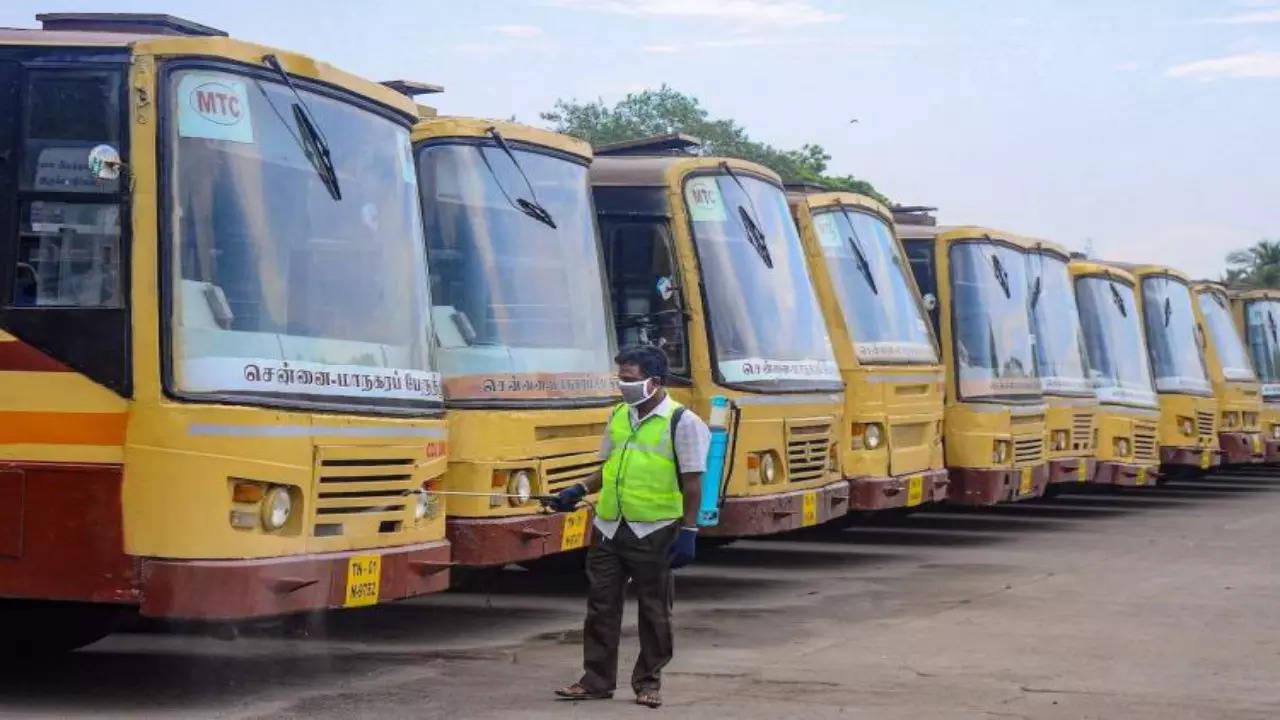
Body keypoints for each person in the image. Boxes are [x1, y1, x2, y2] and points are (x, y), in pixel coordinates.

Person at [545, 344, 710, 709]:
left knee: (654, 610)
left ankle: (648, 683)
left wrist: (689, 531)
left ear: (654, 382)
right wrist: (577, 489)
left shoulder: (683, 423)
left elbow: (694, 481)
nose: (623, 385)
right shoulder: (619, 415)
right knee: (601, 606)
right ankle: (596, 680)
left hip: (655, 530)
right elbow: (607, 467)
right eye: (620, 377)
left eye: (630, 378)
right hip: (609, 526)